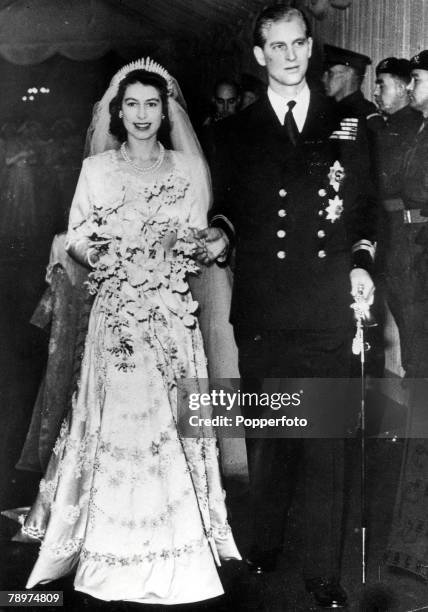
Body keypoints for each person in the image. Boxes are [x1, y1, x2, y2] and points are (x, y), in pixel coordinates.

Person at [12, 60, 240, 604]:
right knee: (117, 422)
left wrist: (178, 252)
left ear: (166, 112)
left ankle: (175, 541)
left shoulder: (186, 168)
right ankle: (108, 542)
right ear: (119, 111)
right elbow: (75, 238)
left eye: (152, 105)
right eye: (132, 104)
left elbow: (196, 237)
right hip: (115, 314)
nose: (142, 115)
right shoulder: (97, 170)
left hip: (169, 314)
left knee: (168, 423)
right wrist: (105, 254)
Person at [195, 3, 376, 608]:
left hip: (326, 305)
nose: (291, 55)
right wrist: (220, 234)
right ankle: (264, 546)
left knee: (324, 442)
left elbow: (364, 211)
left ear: (310, 47)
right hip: (267, 309)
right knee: (272, 436)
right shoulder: (232, 133)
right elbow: (226, 209)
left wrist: (361, 262)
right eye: (278, 46)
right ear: (259, 55)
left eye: (300, 43)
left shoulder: (347, 122)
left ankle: (324, 573)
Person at [371, 57, 422, 375]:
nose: (376, 91)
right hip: (391, 234)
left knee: (412, 319)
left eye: (382, 84)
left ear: (404, 87)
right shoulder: (389, 125)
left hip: (408, 236)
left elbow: (388, 181)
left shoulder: (410, 126)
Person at [323, 44, 377, 119]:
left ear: (348, 74)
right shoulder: (326, 109)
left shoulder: (365, 113)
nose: (323, 79)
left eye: (330, 73)